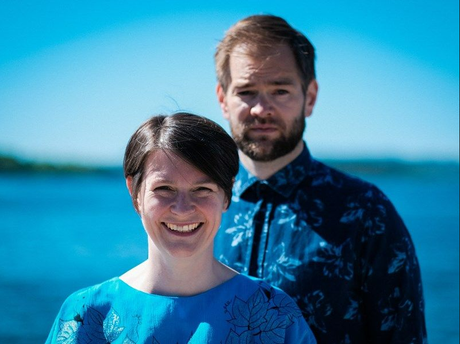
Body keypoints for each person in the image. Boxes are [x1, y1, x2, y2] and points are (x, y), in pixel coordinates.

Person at [213, 14, 427, 343]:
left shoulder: (367, 213)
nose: (261, 109)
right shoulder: (199, 205)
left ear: (310, 97)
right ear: (222, 99)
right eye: (247, 91)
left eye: (280, 90)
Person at [46, 113, 316, 343]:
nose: (183, 208)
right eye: (164, 189)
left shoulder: (274, 313)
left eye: (202, 189)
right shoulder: (86, 314)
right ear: (134, 192)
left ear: (226, 195)